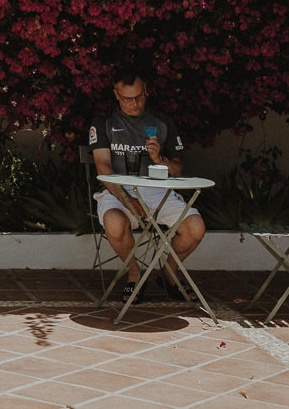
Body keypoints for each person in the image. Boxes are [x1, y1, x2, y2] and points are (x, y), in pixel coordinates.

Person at [88, 69, 206, 302]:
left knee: (195, 228)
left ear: (146, 92)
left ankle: (170, 271)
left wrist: (160, 160)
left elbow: (178, 170)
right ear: (116, 95)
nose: (135, 103)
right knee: (114, 221)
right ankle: (134, 273)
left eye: (139, 96)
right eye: (127, 98)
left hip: (157, 190)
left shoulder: (161, 121)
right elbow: (103, 170)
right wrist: (129, 202)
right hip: (117, 190)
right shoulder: (103, 122)